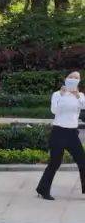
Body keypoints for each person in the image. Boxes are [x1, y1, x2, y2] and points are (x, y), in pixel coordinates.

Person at [36, 71, 85, 201]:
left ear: (79, 81)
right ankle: (43, 189)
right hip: (58, 132)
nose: (73, 79)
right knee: (54, 163)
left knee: (83, 162)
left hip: (72, 134)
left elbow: (83, 106)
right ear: (66, 79)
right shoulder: (57, 94)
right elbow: (54, 110)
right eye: (71, 77)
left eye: (76, 78)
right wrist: (63, 95)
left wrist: (76, 96)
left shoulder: (80, 95)